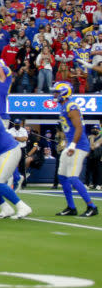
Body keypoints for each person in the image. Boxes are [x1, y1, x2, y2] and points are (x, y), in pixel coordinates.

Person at [50, 82, 99, 217]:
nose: (54, 94)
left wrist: (72, 145)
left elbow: (79, 128)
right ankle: (71, 207)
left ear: (64, 93)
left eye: (56, 92)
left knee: (72, 177)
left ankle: (92, 206)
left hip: (78, 146)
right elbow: (69, 129)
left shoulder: (71, 106)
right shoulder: (63, 106)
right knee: (62, 176)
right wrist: (66, 142)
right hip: (71, 144)